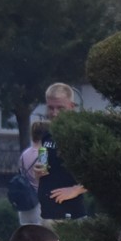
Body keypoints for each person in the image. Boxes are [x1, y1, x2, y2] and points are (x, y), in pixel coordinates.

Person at [37, 83, 87, 221]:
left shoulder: (79, 135)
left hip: (70, 213)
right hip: (46, 212)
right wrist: (38, 171)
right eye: (51, 107)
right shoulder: (47, 134)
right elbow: (45, 168)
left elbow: (98, 173)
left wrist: (75, 190)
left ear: (72, 106)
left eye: (60, 108)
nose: (55, 113)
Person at [16, 120, 49, 227]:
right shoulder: (43, 153)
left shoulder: (24, 154)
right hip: (39, 201)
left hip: (24, 201)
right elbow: (44, 175)